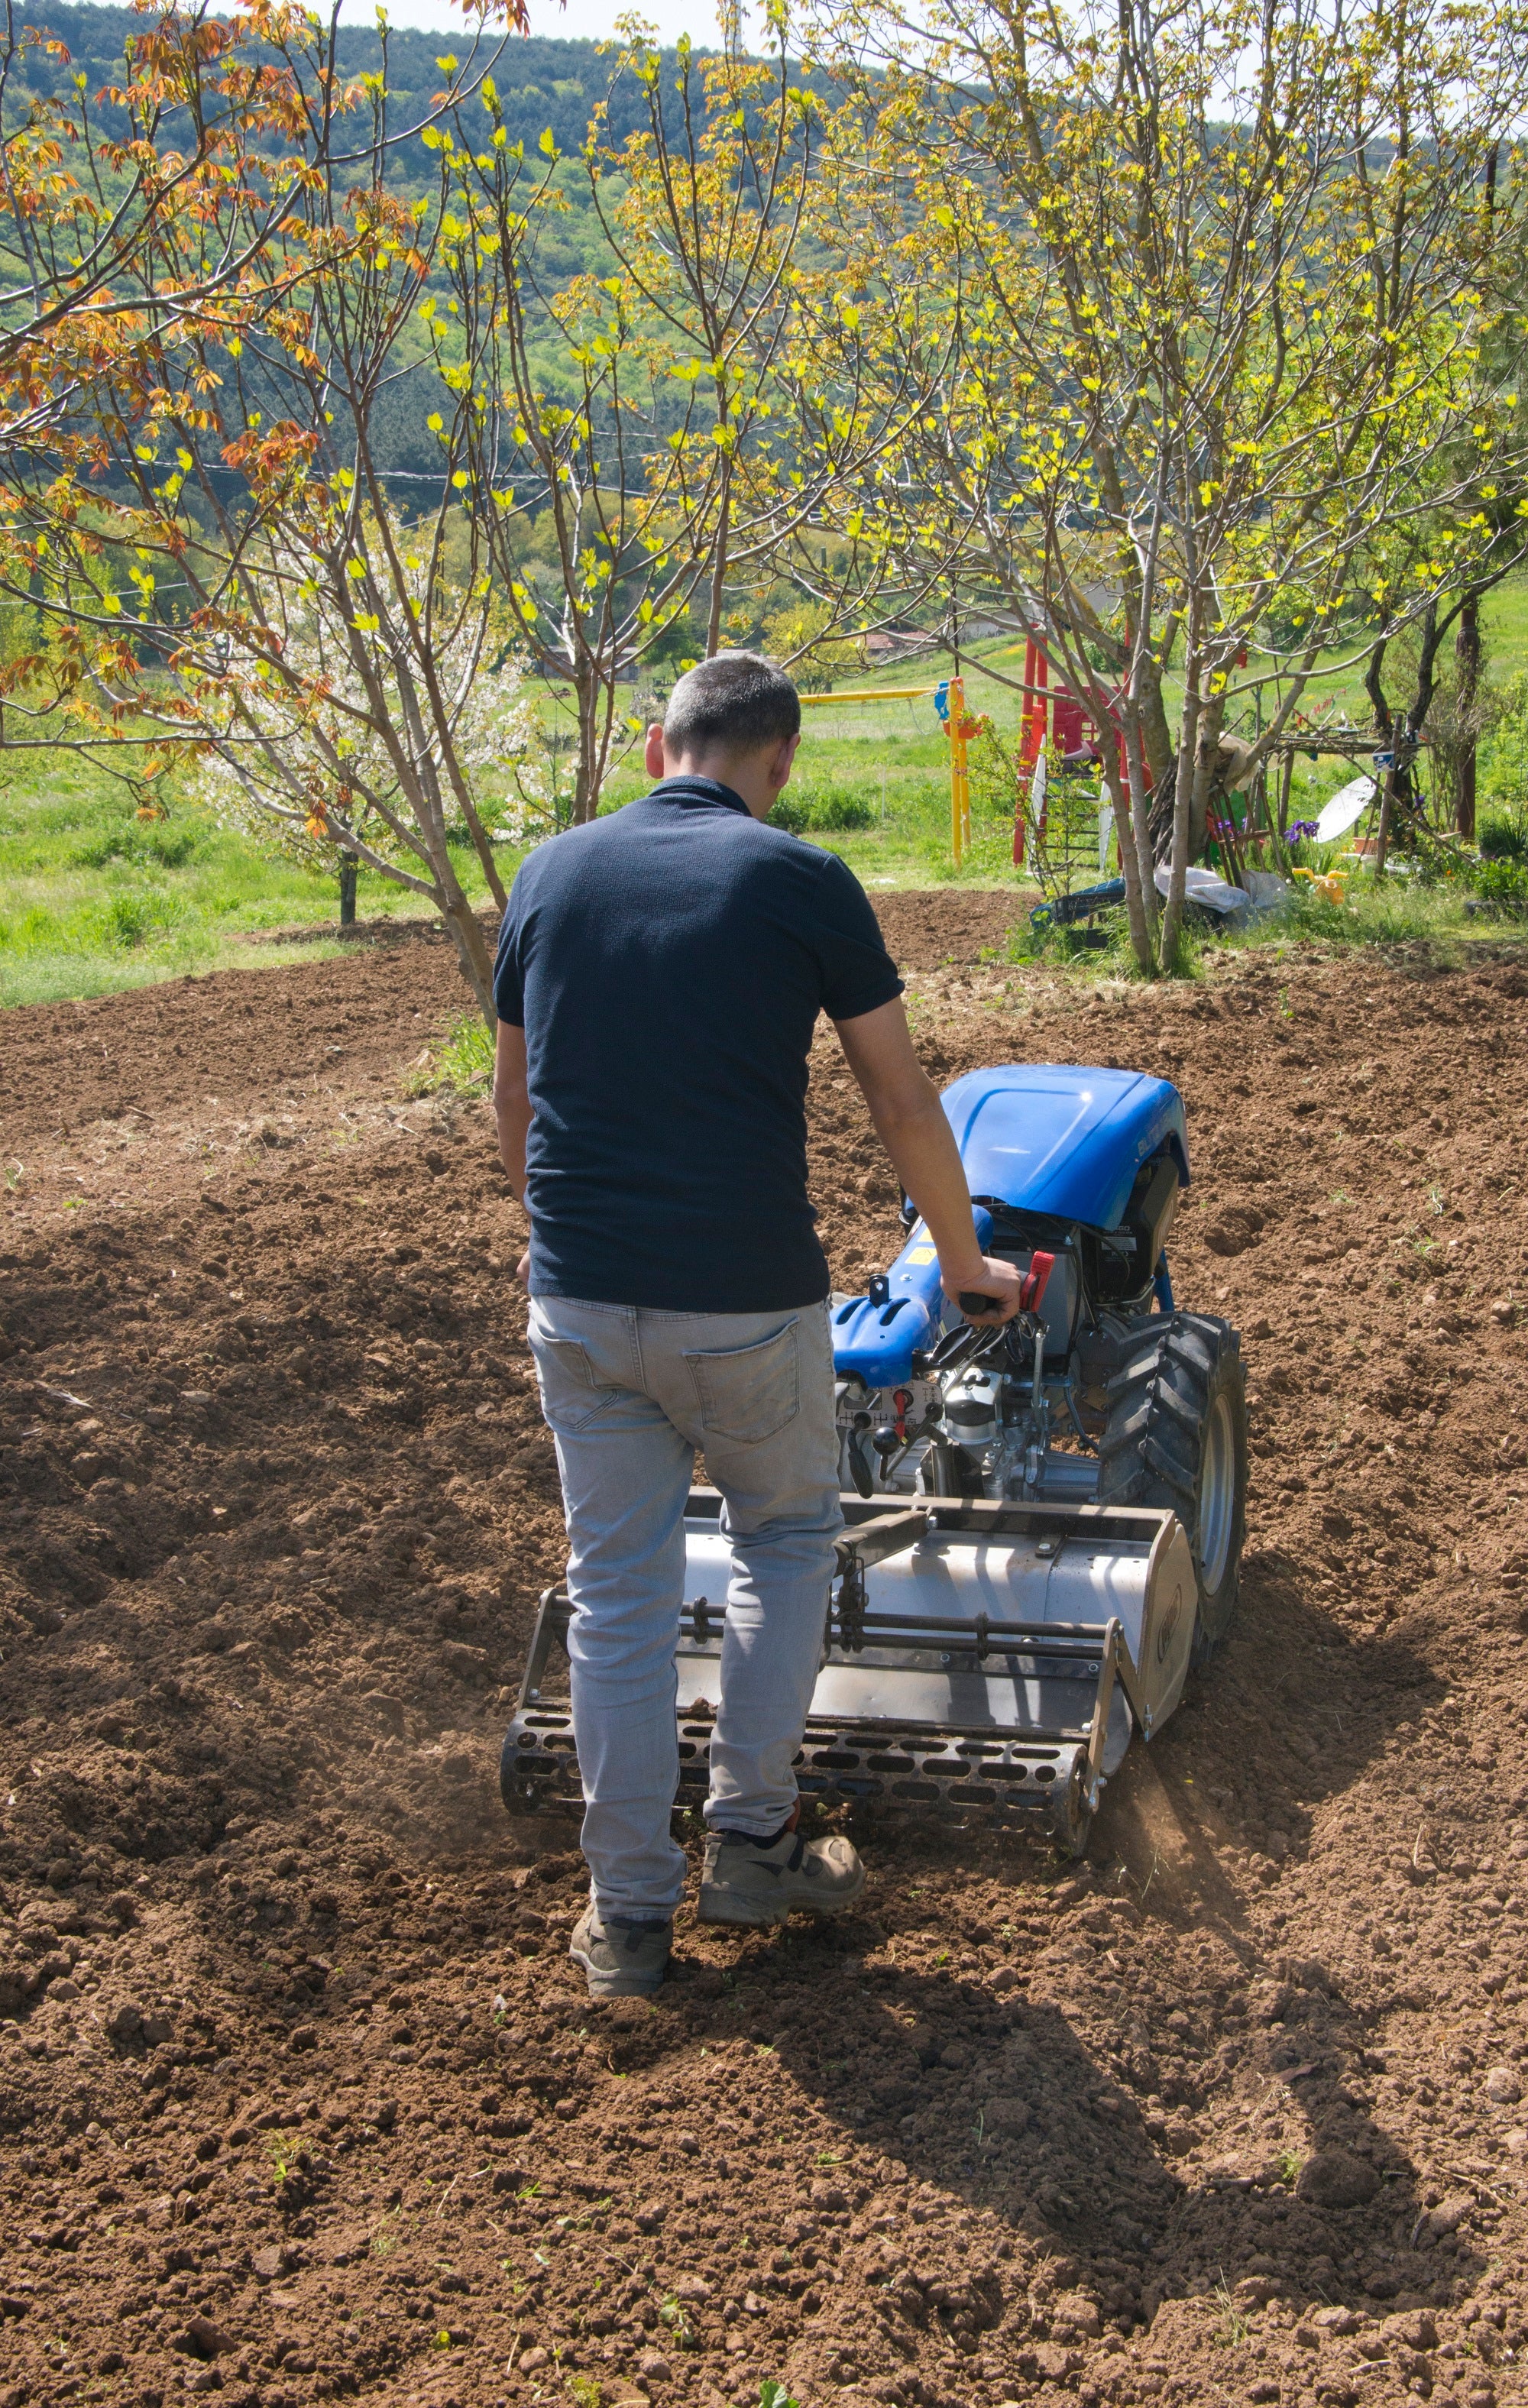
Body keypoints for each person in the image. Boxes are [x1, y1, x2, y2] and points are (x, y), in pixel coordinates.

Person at [492, 652, 1022, 1999]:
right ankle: (752, 1837)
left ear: (660, 745)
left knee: (617, 1599)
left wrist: (569, 1248)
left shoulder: (549, 874)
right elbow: (906, 1102)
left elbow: (516, 1101)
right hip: (741, 1298)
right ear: (776, 761)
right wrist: (963, 1265)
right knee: (786, 1536)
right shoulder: (799, 879)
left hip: (576, 1299)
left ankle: (626, 1918)